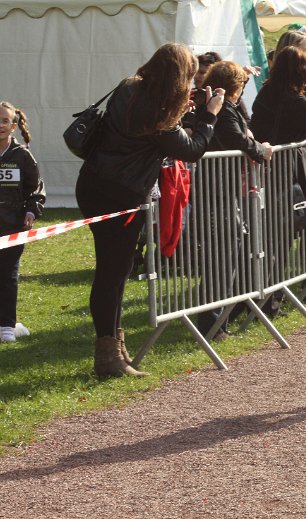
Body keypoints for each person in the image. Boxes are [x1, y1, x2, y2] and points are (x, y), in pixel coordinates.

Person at [77, 43, 225, 376]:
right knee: (112, 273)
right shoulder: (159, 111)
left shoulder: (130, 88)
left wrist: (182, 111)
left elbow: (149, 133)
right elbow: (192, 149)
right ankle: (108, 356)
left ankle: (114, 347)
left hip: (95, 184)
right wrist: (210, 114)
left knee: (116, 269)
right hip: (119, 193)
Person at [194, 61, 274, 339]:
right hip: (217, 190)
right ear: (234, 87)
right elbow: (234, 138)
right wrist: (260, 149)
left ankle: (220, 320)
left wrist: (244, 78)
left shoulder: (224, 106)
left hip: (224, 189)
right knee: (221, 257)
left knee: (228, 253)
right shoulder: (222, 109)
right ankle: (212, 323)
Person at [0, 102, 44, 343]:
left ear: (13, 126)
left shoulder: (22, 156)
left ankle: (7, 326)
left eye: (5, 121)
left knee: (7, 275)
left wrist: (31, 212)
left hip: (12, 227)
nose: (0, 125)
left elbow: (35, 189)